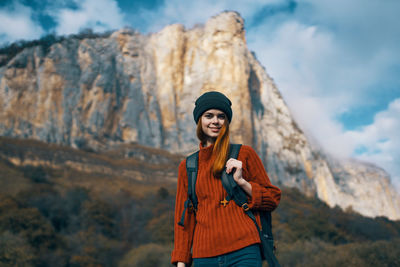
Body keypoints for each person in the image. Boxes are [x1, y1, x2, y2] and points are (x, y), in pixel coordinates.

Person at [171, 91, 281, 267]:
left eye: (221, 116)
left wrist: (243, 182)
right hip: (203, 256)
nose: (215, 121)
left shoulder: (245, 154)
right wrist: (181, 262)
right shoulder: (188, 166)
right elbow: (184, 219)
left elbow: (273, 198)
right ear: (200, 121)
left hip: (244, 250)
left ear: (227, 122)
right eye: (209, 116)